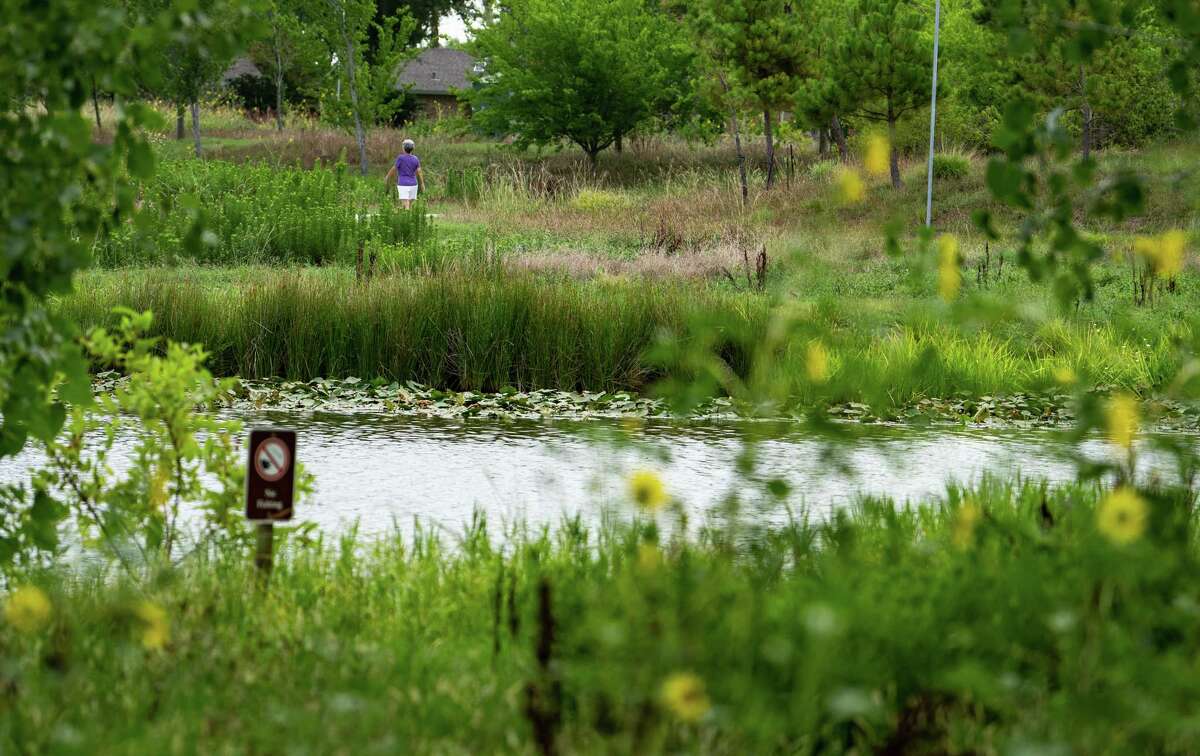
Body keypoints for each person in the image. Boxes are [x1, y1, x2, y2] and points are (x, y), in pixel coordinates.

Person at [385, 138, 424, 210]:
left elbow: (394, 168)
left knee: (406, 205)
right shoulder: (416, 159)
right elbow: (419, 172)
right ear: (412, 148)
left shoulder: (400, 158)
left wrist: (388, 176)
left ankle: (405, 215)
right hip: (413, 184)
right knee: (408, 205)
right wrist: (422, 183)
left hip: (403, 184)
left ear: (403, 148)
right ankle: (405, 214)